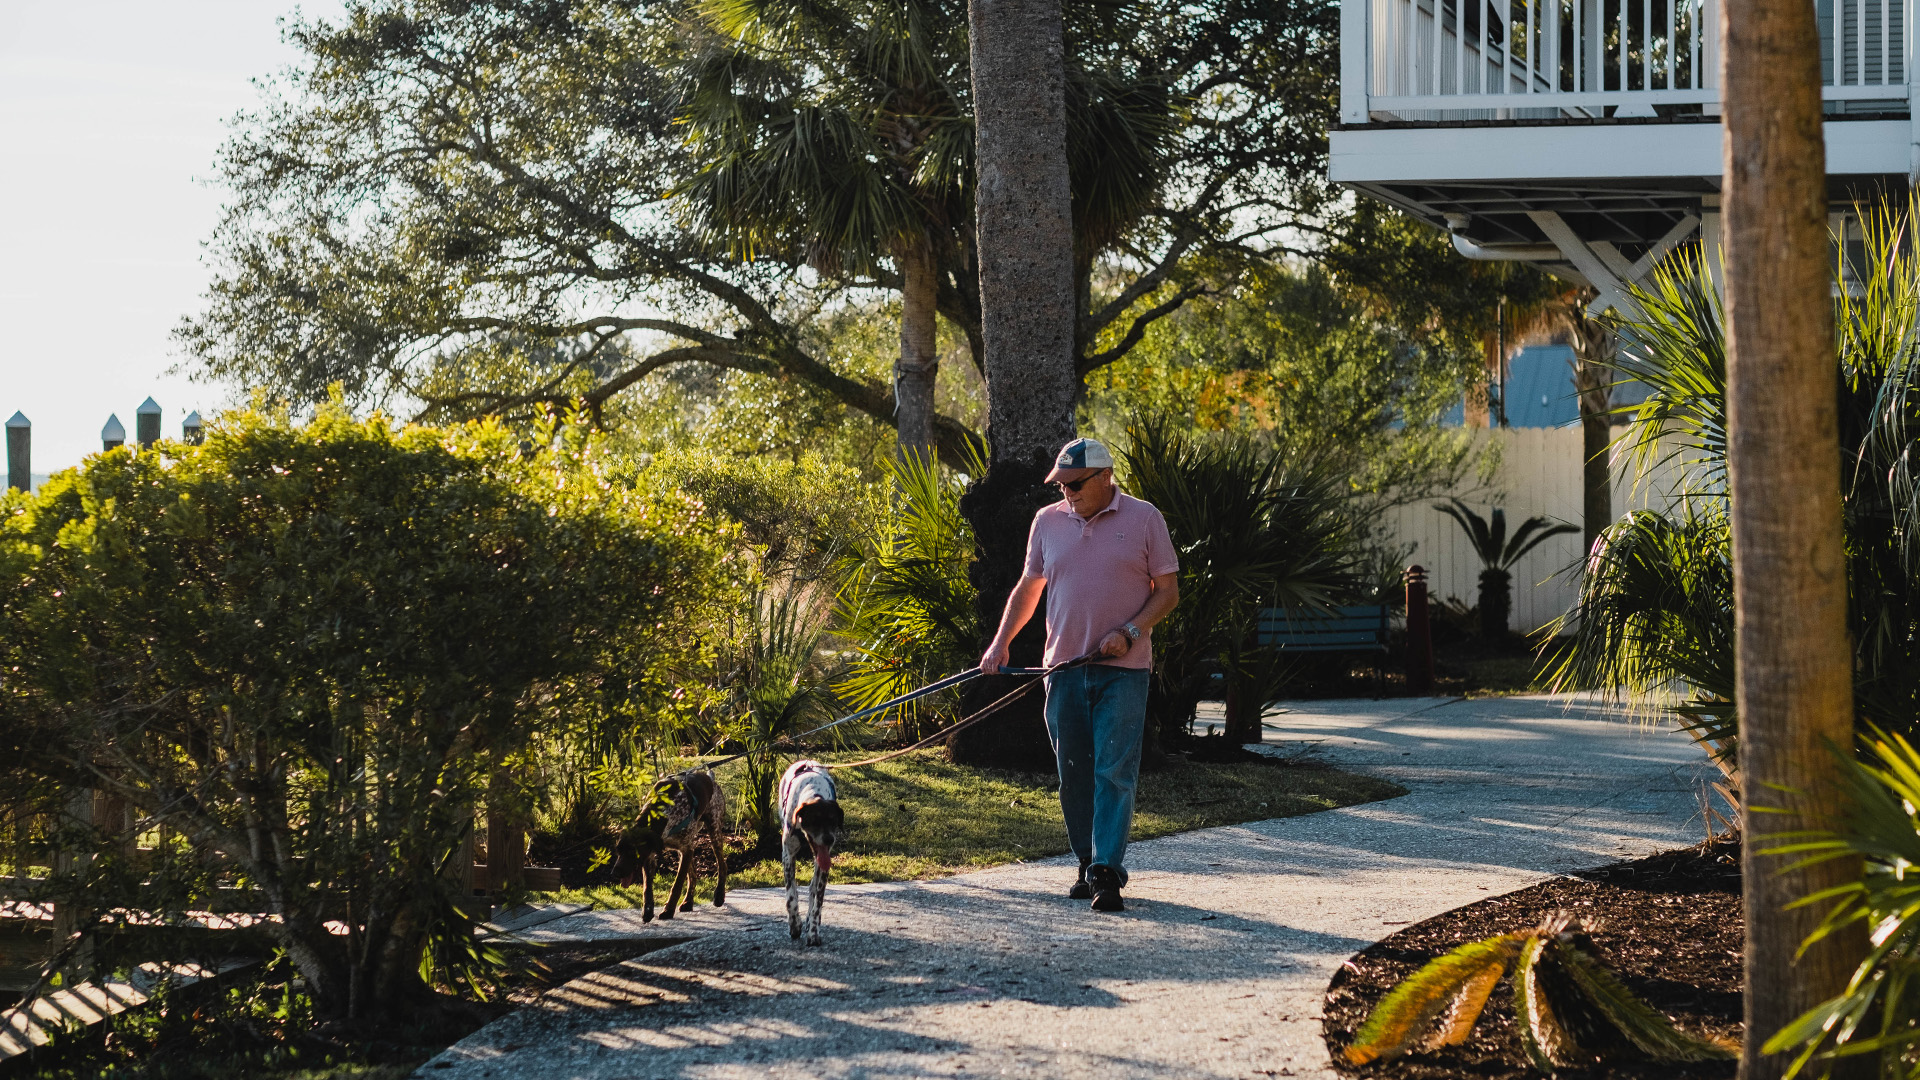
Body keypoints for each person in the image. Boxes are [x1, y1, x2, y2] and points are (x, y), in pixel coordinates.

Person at [979, 437, 1179, 912]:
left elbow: (1168, 592)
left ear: (1106, 476)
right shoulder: (1047, 522)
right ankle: (1087, 861)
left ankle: (1107, 871)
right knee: (1073, 774)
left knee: (1114, 770)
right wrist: (1001, 641)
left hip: (1123, 669)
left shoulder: (1145, 518)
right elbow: (1030, 587)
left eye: (1075, 483)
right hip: (1062, 670)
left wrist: (1130, 632)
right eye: (1061, 484)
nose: (1066, 492)